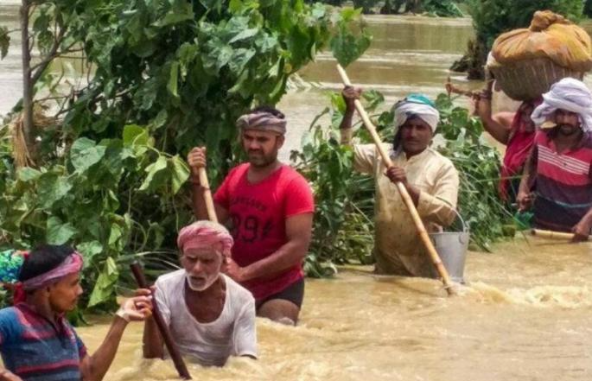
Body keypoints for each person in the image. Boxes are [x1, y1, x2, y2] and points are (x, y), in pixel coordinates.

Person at [187, 106, 314, 326]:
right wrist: (197, 180)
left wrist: (245, 272)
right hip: (235, 283)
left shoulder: (294, 185)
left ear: (280, 142)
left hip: (279, 286)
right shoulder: (236, 175)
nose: (253, 145)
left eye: (262, 139)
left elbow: (298, 247)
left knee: (277, 329)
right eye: (248, 138)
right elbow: (208, 222)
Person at [0, 245, 152, 381]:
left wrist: (121, 319)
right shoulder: (10, 319)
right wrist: (9, 378)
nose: (79, 291)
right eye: (73, 284)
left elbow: (91, 376)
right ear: (48, 289)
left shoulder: (64, 327)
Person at [340, 87, 459, 277]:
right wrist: (349, 110)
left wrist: (408, 187)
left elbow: (447, 215)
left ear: (432, 133)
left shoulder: (443, 167)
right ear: (399, 128)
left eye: (420, 128)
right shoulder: (383, 154)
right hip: (384, 268)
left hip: (425, 270)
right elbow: (344, 154)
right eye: (407, 126)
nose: (412, 133)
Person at [140, 221, 257, 366]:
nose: (196, 269)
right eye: (191, 259)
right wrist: (151, 319)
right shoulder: (164, 286)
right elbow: (152, 360)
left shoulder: (243, 300)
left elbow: (247, 361)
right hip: (173, 375)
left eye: (207, 261)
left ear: (224, 263)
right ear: (182, 258)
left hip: (218, 377)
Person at [517, 78, 592, 241]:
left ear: (580, 116)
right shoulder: (542, 137)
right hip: (541, 227)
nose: (565, 120)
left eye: (571, 114)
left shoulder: (590, 147)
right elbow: (531, 165)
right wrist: (523, 190)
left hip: (577, 232)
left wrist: (587, 221)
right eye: (561, 113)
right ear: (554, 113)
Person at [473, 83, 541, 201]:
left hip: (530, 203)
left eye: (533, 115)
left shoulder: (546, 143)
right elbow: (486, 122)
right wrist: (488, 84)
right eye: (524, 114)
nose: (527, 118)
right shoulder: (514, 137)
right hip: (509, 199)